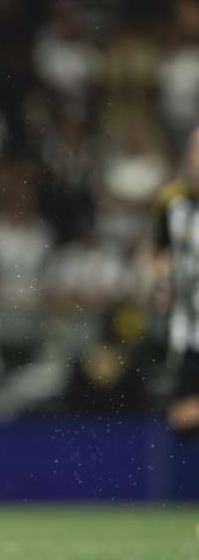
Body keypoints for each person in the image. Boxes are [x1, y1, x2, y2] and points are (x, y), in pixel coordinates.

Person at [151, 128, 199, 463]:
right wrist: (161, 283)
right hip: (188, 327)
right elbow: (159, 252)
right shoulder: (171, 200)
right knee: (181, 421)